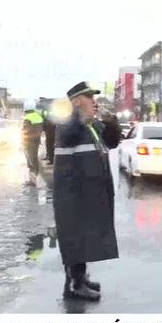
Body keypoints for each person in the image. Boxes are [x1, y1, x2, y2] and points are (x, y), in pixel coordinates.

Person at [53, 81, 121, 301]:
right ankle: (75, 285)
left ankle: (80, 277)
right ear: (75, 102)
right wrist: (80, 116)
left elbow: (112, 142)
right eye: (89, 97)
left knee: (85, 237)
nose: (94, 101)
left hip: (89, 191)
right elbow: (69, 133)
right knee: (75, 237)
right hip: (74, 194)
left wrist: (111, 123)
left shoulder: (91, 124)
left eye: (94, 97)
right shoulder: (67, 122)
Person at [22, 101, 44, 186]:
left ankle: (33, 181)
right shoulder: (38, 116)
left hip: (29, 142)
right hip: (36, 141)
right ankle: (34, 178)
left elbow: (26, 130)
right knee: (34, 159)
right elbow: (39, 130)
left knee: (31, 161)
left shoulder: (28, 118)